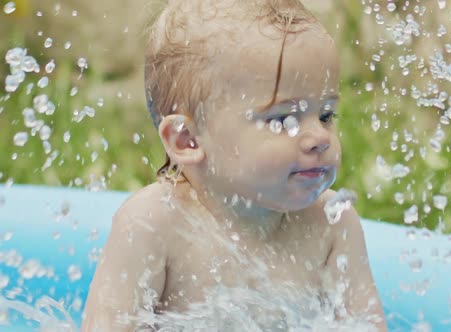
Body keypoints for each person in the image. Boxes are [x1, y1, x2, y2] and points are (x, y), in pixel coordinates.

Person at [81, 0, 386, 330]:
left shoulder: (332, 225)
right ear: (188, 140)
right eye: (283, 119)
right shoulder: (154, 226)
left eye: (326, 115)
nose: (319, 137)